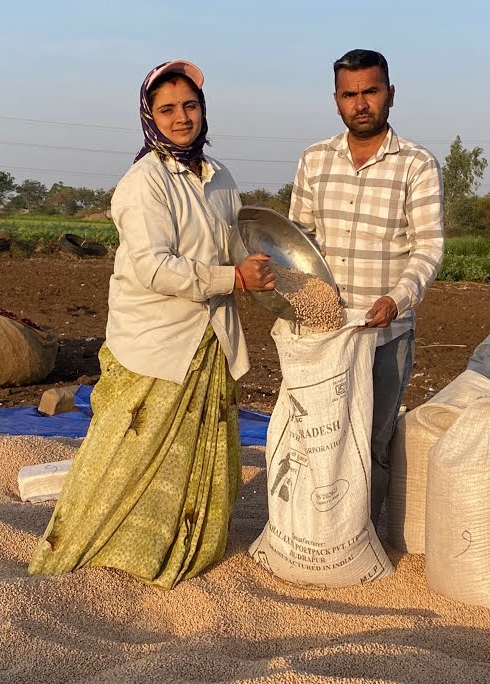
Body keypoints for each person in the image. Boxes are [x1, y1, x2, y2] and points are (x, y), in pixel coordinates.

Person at [30, 60, 275, 589]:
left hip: (209, 338)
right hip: (156, 341)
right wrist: (232, 277)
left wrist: (257, 267)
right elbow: (153, 268)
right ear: (149, 116)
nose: (181, 117)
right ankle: (99, 555)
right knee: (127, 457)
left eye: (190, 106)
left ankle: (185, 544)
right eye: (167, 109)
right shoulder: (143, 184)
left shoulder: (218, 177)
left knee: (195, 455)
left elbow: (234, 244)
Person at [289, 49, 445, 526]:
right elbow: (298, 241)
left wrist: (395, 301)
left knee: (372, 440)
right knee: (314, 437)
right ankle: (314, 529)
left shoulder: (416, 164)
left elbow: (428, 249)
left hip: (385, 335)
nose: (361, 103)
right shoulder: (315, 160)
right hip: (322, 334)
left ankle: (361, 536)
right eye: (350, 94)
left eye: (370, 92)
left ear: (390, 95)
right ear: (336, 99)